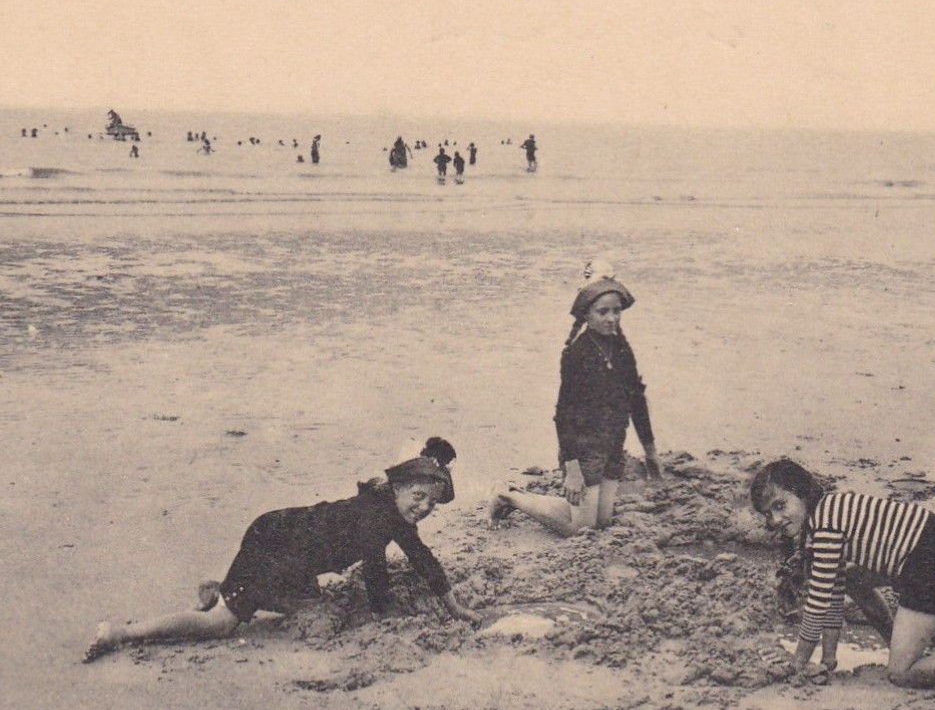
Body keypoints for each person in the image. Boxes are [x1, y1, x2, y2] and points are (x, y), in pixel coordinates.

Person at [83, 442, 479, 662]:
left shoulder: (392, 513)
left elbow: (421, 557)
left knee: (316, 604)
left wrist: (454, 606)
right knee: (224, 624)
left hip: (294, 546)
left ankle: (224, 586)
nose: (424, 508)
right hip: (274, 542)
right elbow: (377, 573)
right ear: (396, 488)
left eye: (432, 504)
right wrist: (385, 613)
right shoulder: (377, 516)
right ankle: (122, 632)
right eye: (419, 496)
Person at [750, 460, 935, 691]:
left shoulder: (825, 525)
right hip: (934, 548)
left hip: (934, 560)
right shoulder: (827, 512)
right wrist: (828, 660)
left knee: (901, 674)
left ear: (803, 494)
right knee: (853, 579)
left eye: (780, 506)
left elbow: (816, 606)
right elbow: (832, 592)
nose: (775, 520)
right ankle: (900, 643)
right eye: (767, 514)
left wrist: (797, 664)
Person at [490, 273, 662, 537]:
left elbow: (637, 402)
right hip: (583, 449)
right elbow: (564, 415)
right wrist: (572, 470)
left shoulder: (622, 349)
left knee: (602, 522)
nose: (611, 318)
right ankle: (509, 496)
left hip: (613, 444)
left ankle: (524, 496)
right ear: (587, 315)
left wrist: (650, 452)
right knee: (579, 527)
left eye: (617, 311)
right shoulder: (577, 354)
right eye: (602, 312)